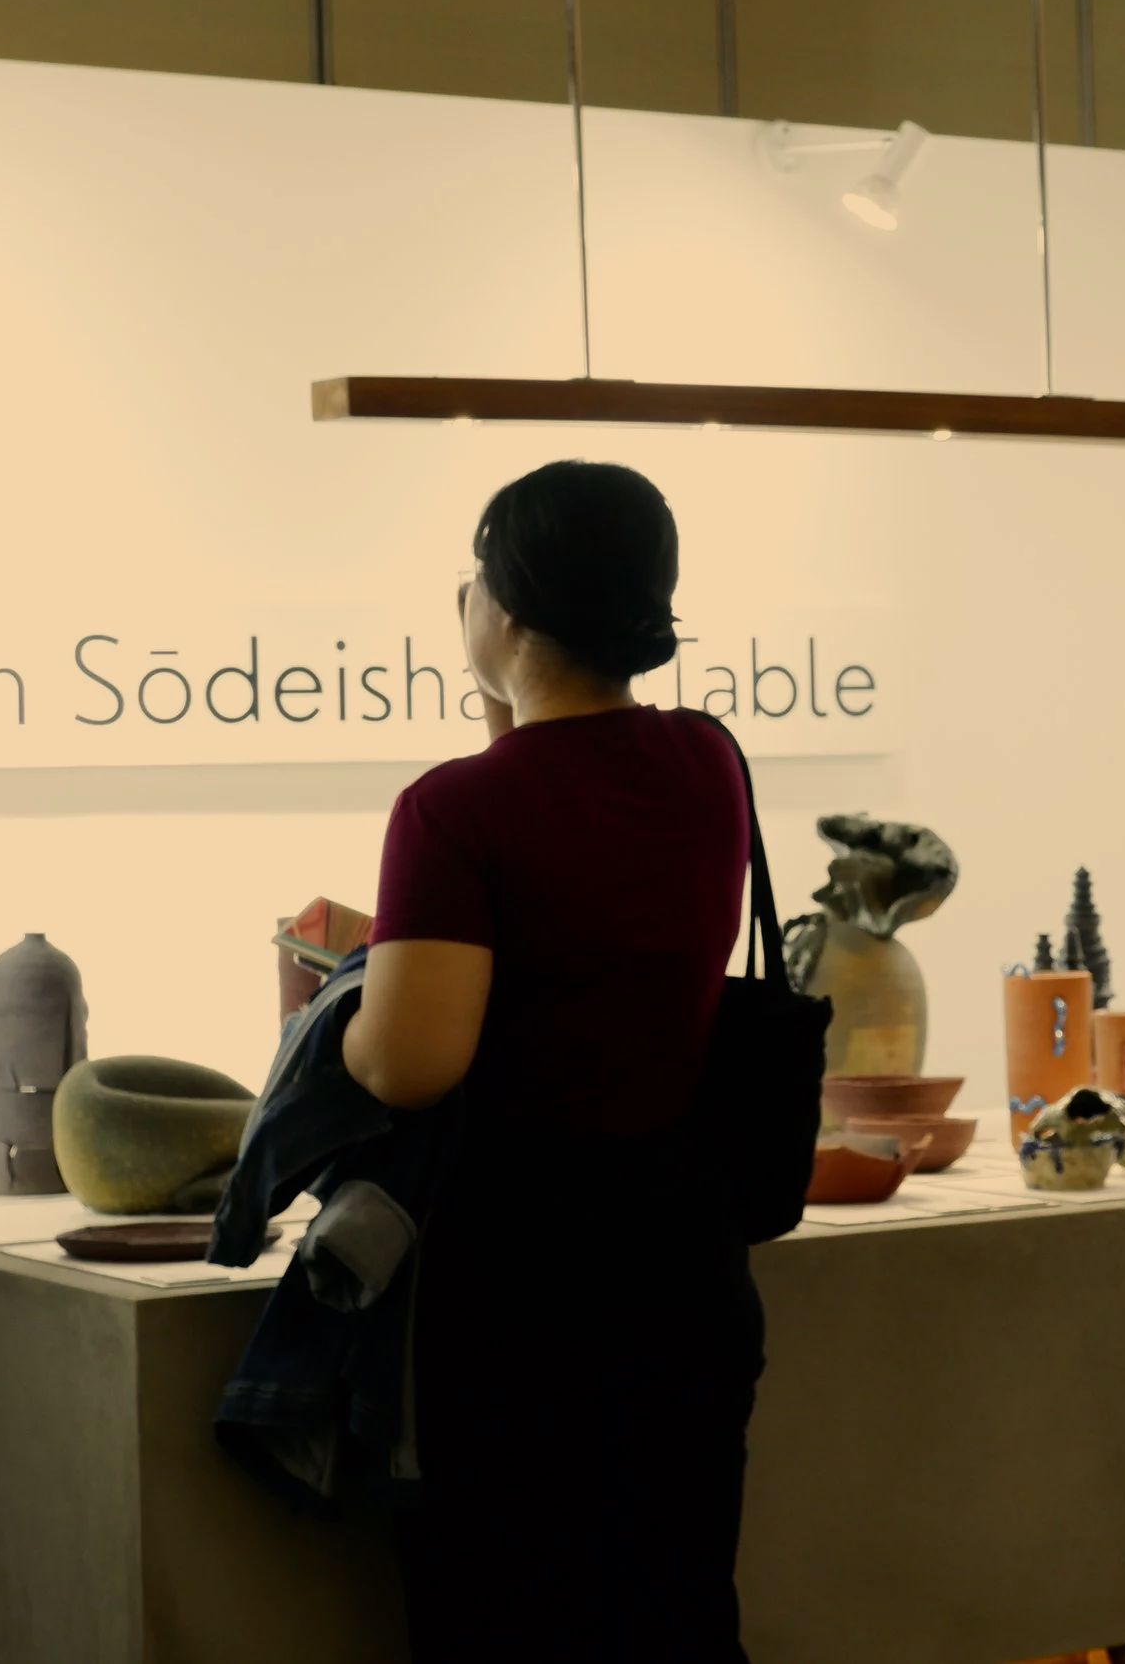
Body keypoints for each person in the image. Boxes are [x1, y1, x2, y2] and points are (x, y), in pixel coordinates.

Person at [345, 460, 759, 1663]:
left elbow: (410, 1063)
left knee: (516, 1621)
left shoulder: (451, 813)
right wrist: (503, 709)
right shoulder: (707, 759)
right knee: (674, 1613)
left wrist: (348, 1009)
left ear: (506, 610)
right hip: (688, 1266)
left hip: (527, 1287)